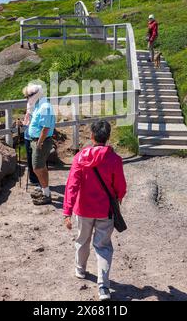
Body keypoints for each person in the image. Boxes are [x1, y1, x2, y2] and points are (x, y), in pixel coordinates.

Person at [63, 121, 127, 302]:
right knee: (103, 246)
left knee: (82, 240)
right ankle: (103, 287)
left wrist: (67, 211)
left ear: (92, 136)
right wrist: (119, 197)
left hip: (82, 209)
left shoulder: (80, 158)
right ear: (108, 137)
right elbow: (120, 186)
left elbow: (72, 186)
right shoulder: (115, 159)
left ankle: (80, 269)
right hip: (105, 210)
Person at [22, 84, 56, 206]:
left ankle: (46, 194)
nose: (27, 98)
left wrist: (39, 143)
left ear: (37, 94)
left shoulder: (44, 107)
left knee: (37, 167)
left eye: (29, 95)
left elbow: (46, 128)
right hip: (37, 140)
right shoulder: (39, 105)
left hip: (40, 141)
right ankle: (44, 191)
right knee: (41, 167)